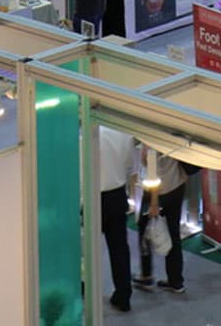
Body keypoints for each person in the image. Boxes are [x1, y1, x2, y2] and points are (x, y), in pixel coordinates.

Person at [133, 138, 189, 294]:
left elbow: (152, 170)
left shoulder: (151, 139)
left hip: (159, 192)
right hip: (177, 185)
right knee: (173, 232)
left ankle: (146, 274)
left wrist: (154, 203)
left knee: (144, 232)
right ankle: (176, 280)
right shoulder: (172, 128)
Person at [95, 124, 137, 314]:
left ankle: (84, 288)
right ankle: (123, 295)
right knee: (119, 248)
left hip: (90, 197)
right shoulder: (122, 131)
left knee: (84, 248)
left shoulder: (82, 133)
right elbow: (129, 164)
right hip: (117, 195)